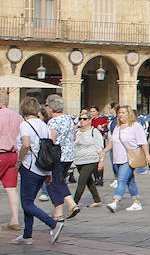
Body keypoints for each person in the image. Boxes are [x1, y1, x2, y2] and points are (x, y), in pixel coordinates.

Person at [13, 96, 63, 245]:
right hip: (43, 168)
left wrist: (19, 160)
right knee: (29, 202)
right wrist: (48, 173)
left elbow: (26, 144)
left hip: (30, 167)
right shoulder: (44, 125)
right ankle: (27, 235)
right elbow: (48, 148)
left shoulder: (25, 125)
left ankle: (53, 224)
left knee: (27, 203)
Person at [103, 106, 148, 213]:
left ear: (129, 114)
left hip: (129, 158)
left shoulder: (135, 126)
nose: (120, 115)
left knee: (121, 180)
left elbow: (143, 141)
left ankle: (115, 202)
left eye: (123, 112)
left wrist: (147, 155)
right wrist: (104, 151)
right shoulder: (118, 127)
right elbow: (112, 141)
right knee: (130, 181)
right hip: (117, 158)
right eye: (119, 113)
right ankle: (136, 202)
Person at [42, 94, 78, 222]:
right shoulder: (69, 119)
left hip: (57, 155)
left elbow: (51, 140)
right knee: (57, 181)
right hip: (69, 155)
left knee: (55, 182)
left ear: (51, 107)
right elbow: (74, 136)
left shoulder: (54, 121)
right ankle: (57, 212)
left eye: (46, 106)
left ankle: (71, 204)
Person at [72, 110, 105, 209]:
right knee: (88, 181)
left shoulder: (94, 131)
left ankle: (73, 203)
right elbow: (73, 143)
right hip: (79, 160)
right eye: (80, 119)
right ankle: (97, 200)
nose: (82, 121)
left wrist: (101, 161)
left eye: (85, 119)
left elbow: (100, 147)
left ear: (90, 120)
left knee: (81, 181)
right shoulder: (77, 132)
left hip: (91, 160)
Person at [0, 92, 22, 231]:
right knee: (11, 188)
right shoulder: (17, 116)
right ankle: (15, 219)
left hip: (0, 152)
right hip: (12, 154)